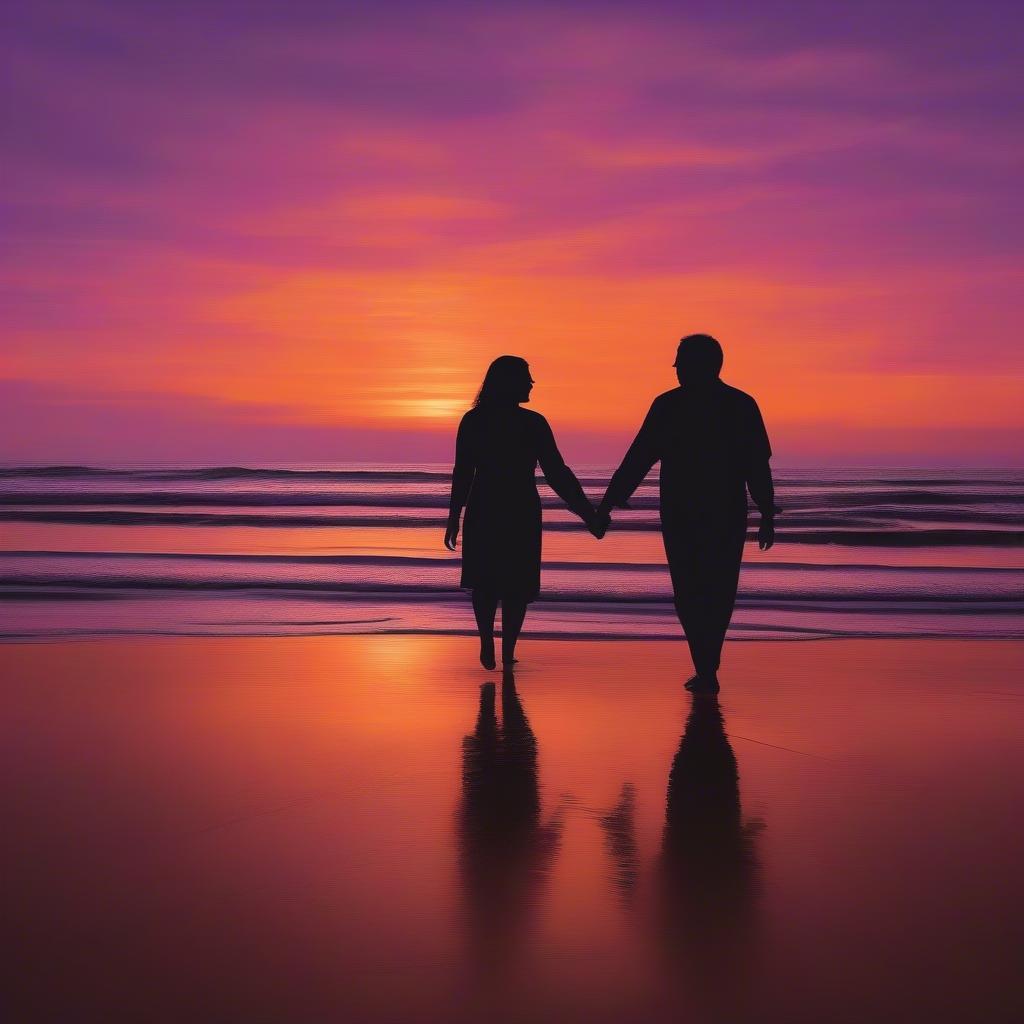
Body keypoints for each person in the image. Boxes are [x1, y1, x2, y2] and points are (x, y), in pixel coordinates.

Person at [595, 334, 777, 692]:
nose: (675, 367)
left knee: (695, 591)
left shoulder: (682, 406)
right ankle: (707, 665)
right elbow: (757, 467)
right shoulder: (736, 404)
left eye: (680, 360)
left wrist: (607, 504)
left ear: (701, 364)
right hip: (715, 513)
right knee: (714, 590)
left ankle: (706, 666)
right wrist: (766, 513)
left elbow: (638, 459)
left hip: (690, 512)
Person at [446, 355, 600, 668]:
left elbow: (463, 473)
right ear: (508, 382)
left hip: (487, 505)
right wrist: (587, 512)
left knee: (487, 581)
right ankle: (502, 648)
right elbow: (557, 474)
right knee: (513, 585)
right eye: (525, 377)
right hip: (518, 507)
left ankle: (491, 643)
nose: (532, 383)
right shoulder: (531, 423)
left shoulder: (476, 421)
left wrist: (454, 517)